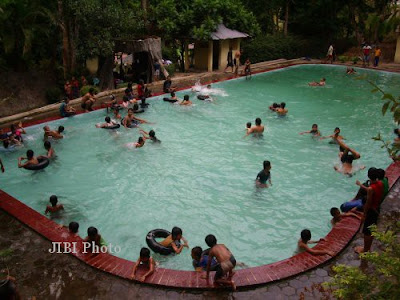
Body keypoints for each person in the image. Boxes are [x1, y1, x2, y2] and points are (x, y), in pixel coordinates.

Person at [354, 168, 384, 254]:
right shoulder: (380, 184)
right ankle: (367, 248)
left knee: (367, 232)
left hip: (371, 210)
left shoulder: (371, 188)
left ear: (368, 176)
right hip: (377, 208)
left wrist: (364, 214)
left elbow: (368, 202)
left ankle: (365, 250)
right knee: (371, 229)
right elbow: (371, 190)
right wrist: (361, 185)